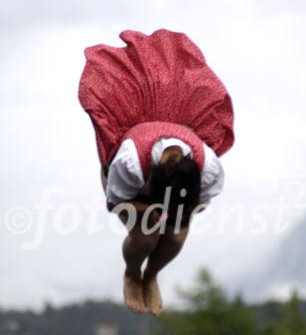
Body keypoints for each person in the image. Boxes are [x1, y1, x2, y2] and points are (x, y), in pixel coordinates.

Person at [79, 29, 234, 317]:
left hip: (171, 193)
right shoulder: (131, 162)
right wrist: (156, 212)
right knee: (147, 234)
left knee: (175, 236)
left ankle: (151, 275)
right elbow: (114, 202)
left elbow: (198, 203)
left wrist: (172, 215)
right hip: (122, 182)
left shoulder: (209, 167)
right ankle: (132, 273)